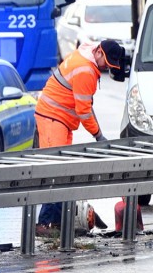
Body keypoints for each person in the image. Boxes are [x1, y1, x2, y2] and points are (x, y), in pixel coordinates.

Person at [33, 39, 127, 236]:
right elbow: (84, 111)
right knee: (55, 171)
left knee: (62, 171)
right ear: (99, 52)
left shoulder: (86, 54)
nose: (104, 68)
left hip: (59, 119)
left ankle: (56, 223)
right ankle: (44, 224)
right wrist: (98, 135)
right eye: (106, 64)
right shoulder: (85, 70)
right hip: (53, 118)